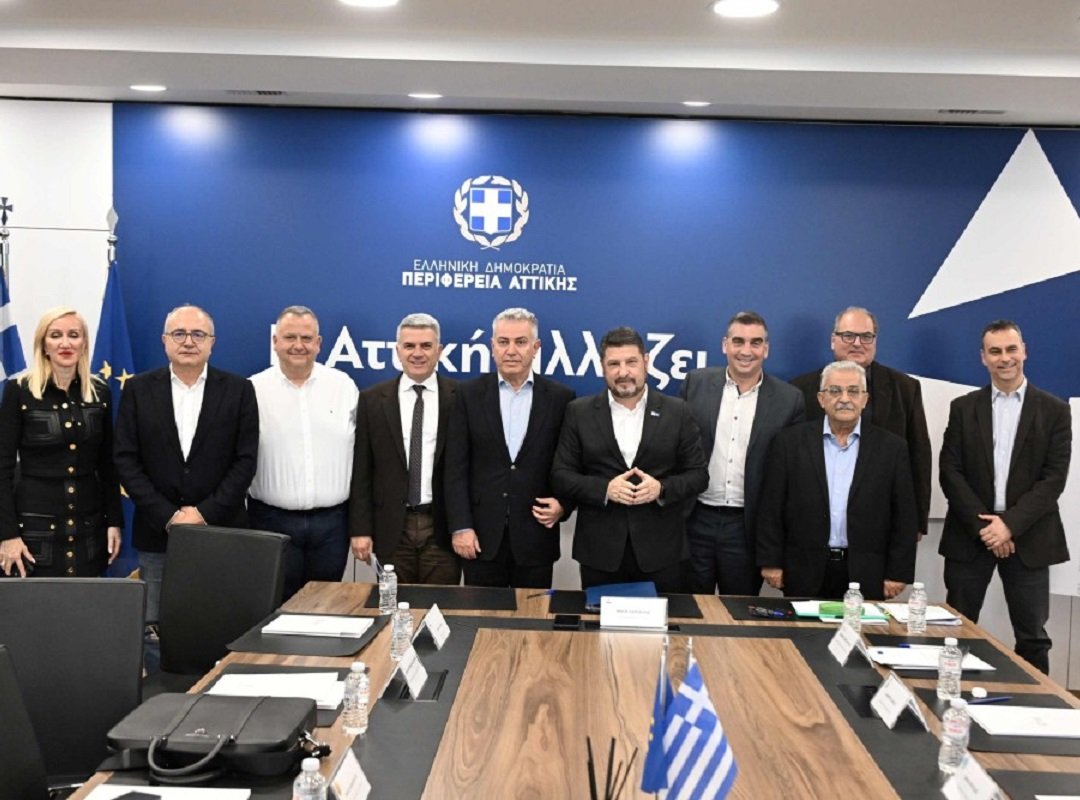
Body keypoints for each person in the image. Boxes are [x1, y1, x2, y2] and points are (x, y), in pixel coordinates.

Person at [114, 304, 258, 630]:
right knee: (155, 630)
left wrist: (203, 514)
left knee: (222, 623)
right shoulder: (138, 389)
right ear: (165, 340)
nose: (189, 341)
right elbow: (125, 459)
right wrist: (169, 516)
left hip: (222, 531)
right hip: (158, 533)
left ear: (212, 342)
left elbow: (245, 460)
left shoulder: (238, 390)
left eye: (198, 334)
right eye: (179, 333)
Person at [939, 321, 1071, 674]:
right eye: (995, 351)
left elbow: (1053, 479)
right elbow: (950, 471)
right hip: (971, 534)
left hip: (1029, 537)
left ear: (1024, 351)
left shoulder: (1055, 410)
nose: (1005, 358)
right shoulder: (963, 407)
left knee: (1033, 637)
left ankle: (1037, 705)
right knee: (956, 630)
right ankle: (948, 696)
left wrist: (1008, 526)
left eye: (1011, 349)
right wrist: (988, 529)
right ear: (983, 357)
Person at [551, 327, 708, 592]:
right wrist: (605, 489)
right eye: (614, 364)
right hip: (600, 553)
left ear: (646, 362)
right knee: (598, 620)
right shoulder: (579, 412)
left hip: (662, 552)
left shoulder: (677, 411)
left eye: (631, 362)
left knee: (663, 620)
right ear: (602, 366)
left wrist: (661, 488)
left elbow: (698, 476)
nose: (623, 372)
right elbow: (561, 475)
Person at [757, 360, 917, 600]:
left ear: (865, 399)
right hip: (803, 570)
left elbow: (904, 516)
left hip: (867, 572)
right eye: (835, 391)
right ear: (821, 399)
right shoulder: (789, 443)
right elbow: (771, 506)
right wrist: (771, 562)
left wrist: (898, 572)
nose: (844, 399)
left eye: (853, 391)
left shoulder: (892, 448)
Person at [444, 308, 574, 588]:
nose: (511, 350)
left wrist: (564, 505)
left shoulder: (561, 398)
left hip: (536, 537)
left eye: (521, 342)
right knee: (479, 614)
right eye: (503, 342)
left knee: (534, 615)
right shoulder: (468, 395)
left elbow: (571, 464)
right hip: (479, 539)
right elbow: (455, 468)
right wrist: (461, 526)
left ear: (536, 347)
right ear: (493, 347)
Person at [680, 311, 805, 596]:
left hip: (747, 528)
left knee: (739, 610)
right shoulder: (695, 384)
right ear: (725, 345)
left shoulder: (789, 399)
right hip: (695, 518)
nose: (746, 351)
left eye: (755, 342)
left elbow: (791, 476)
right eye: (738, 341)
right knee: (688, 608)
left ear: (766, 349)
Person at [0, 307, 122, 577]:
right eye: (56, 335)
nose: (65, 343)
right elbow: (2, 467)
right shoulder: (19, 391)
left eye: (74, 335)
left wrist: (114, 521)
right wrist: (6, 535)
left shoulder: (99, 392)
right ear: (44, 345)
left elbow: (108, 465)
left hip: (88, 527)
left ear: (84, 343)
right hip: (33, 530)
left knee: (84, 601)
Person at [791, 306, 931, 540]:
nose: (857, 343)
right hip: (814, 522)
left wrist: (917, 520)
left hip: (883, 520)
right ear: (833, 340)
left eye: (866, 336)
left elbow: (919, 456)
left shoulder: (905, 388)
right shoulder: (800, 389)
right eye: (848, 335)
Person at [249, 306, 358, 600]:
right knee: (274, 607)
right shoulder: (253, 389)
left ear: (319, 343)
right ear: (275, 341)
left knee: (325, 607)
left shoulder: (343, 386)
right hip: (270, 522)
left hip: (333, 525)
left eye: (307, 338)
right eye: (290, 337)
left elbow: (363, 454)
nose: (299, 345)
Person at [348, 313, 460, 585]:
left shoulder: (460, 397)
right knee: (393, 605)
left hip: (442, 527)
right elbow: (362, 470)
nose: (417, 353)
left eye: (426, 346)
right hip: (392, 529)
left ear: (439, 351)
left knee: (440, 606)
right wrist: (360, 529)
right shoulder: (372, 400)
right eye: (409, 346)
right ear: (397, 351)